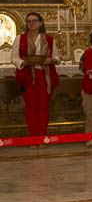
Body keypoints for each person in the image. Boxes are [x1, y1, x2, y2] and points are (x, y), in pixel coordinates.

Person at [13, 11, 59, 141]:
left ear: (40, 23)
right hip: (28, 76)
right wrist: (24, 62)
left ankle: (42, 137)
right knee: (31, 107)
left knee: (43, 107)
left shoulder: (49, 39)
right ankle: (33, 138)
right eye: (29, 21)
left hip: (44, 76)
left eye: (34, 21)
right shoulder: (19, 39)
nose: (31, 24)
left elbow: (56, 57)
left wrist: (50, 60)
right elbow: (14, 58)